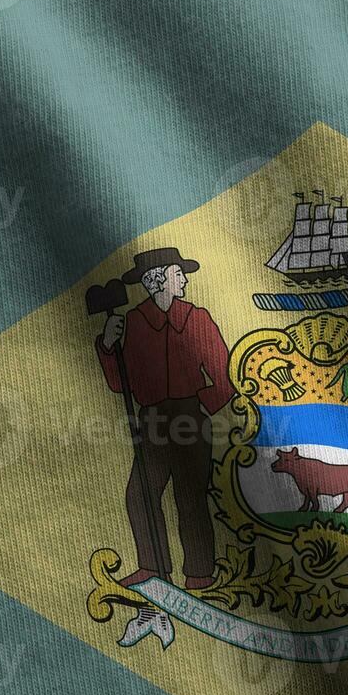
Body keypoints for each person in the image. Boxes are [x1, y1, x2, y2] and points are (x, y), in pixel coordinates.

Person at [96, 247, 234, 590]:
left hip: (190, 416)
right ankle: (153, 567)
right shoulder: (134, 322)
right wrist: (107, 347)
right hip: (153, 420)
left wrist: (199, 404)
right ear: (157, 280)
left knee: (190, 497)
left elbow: (222, 375)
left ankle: (200, 574)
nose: (184, 280)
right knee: (140, 494)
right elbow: (119, 383)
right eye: (178, 274)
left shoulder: (196, 318)